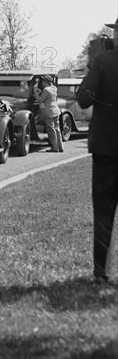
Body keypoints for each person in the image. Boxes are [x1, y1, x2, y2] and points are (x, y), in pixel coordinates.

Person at [76, 17, 118, 284]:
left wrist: (92, 68)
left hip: (107, 148)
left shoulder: (103, 62)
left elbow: (83, 99)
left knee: (103, 211)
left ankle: (101, 271)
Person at [35, 75, 63, 152]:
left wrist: (35, 92)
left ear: (45, 82)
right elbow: (49, 96)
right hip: (56, 110)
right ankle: (60, 146)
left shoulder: (46, 90)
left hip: (49, 112)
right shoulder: (54, 88)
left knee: (51, 130)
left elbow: (40, 100)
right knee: (57, 129)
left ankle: (54, 147)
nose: (42, 83)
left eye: (43, 81)